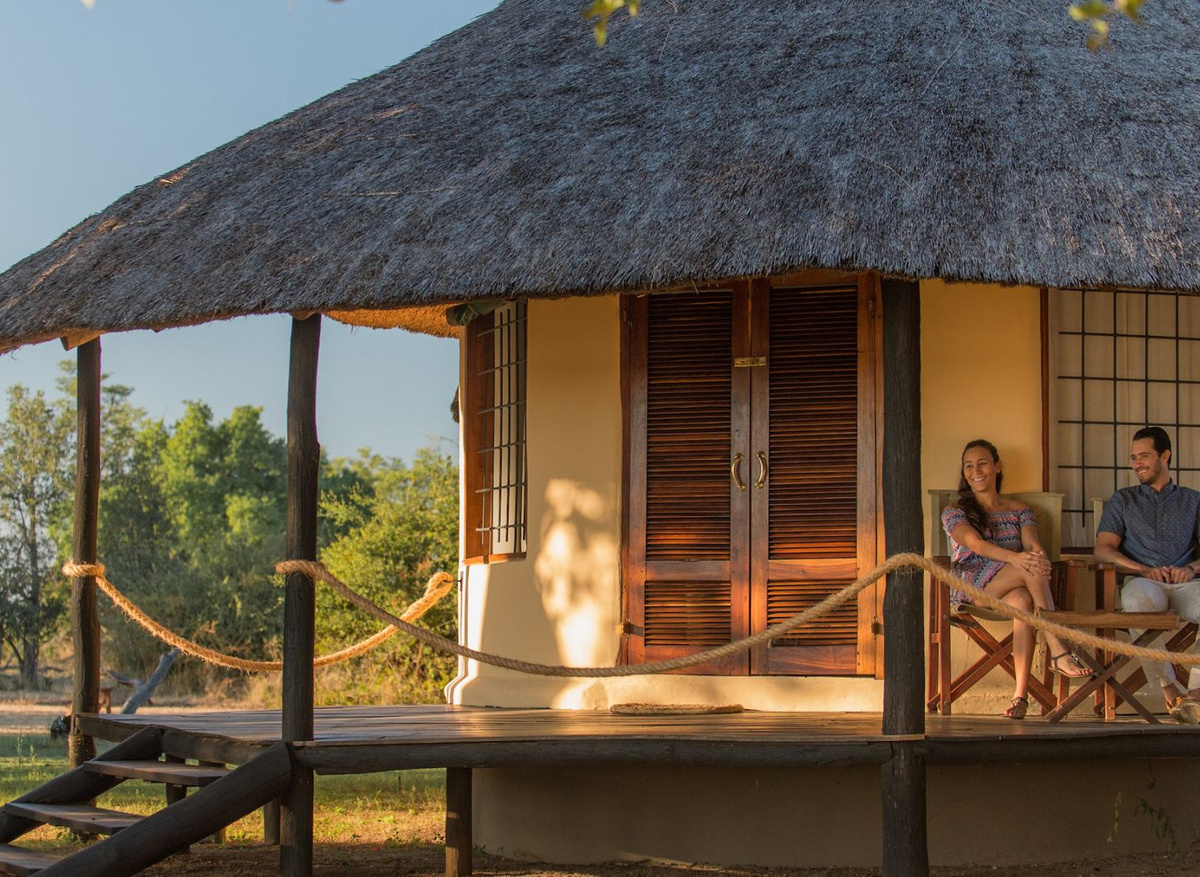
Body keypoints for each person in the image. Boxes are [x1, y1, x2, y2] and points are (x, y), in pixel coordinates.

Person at [942, 439, 1088, 719]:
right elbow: (975, 544)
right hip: (972, 586)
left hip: (1014, 582)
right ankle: (1058, 647)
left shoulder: (1020, 510)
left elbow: (1032, 545)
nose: (976, 471)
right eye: (969, 466)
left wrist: (1039, 557)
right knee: (1027, 568)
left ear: (997, 466)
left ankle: (1020, 697)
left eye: (983, 463)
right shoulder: (954, 511)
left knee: (1022, 600)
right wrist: (1019, 560)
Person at [1095, 426, 1200, 724]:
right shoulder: (1123, 500)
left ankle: (1196, 693)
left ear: (1165, 456)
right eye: (1134, 457)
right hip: (1142, 580)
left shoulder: (1193, 501)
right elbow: (1103, 550)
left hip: (1186, 582)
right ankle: (1171, 691)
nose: (1137, 463)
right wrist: (1141, 568)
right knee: (1138, 605)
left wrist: (1189, 568)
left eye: (1145, 456)